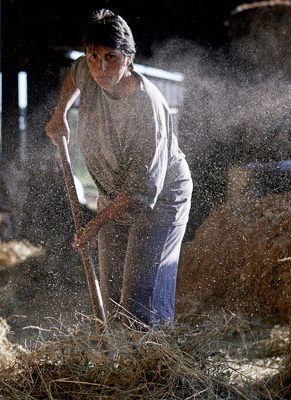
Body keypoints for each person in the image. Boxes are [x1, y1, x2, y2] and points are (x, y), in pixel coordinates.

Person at [46, 9, 192, 328]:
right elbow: (75, 73)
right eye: (94, 56)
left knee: (139, 305)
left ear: (129, 58)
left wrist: (94, 225)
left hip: (158, 201)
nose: (100, 67)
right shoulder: (88, 71)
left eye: (110, 57)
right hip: (115, 195)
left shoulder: (146, 107)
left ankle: (153, 356)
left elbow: (141, 190)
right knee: (112, 300)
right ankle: (121, 356)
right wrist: (60, 114)